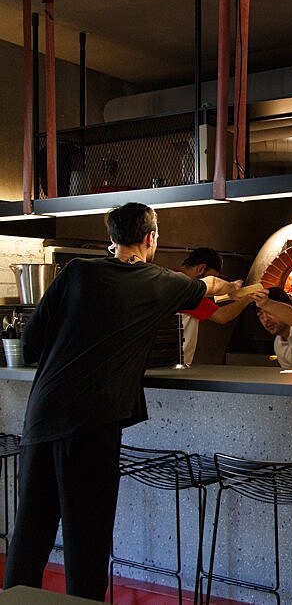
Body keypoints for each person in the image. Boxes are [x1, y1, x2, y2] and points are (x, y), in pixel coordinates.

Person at [3, 203, 239, 599]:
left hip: (42, 415)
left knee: (30, 534)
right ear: (151, 238)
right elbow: (210, 287)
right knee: (87, 541)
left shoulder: (76, 272)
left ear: (111, 238)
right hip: (93, 425)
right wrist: (236, 287)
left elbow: (30, 342)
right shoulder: (159, 282)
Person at [177, 247, 252, 365]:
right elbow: (222, 316)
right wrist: (248, 297)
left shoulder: (170, 279)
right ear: (201, 268)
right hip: (173, 363)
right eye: (213, 276)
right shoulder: (188, 290)